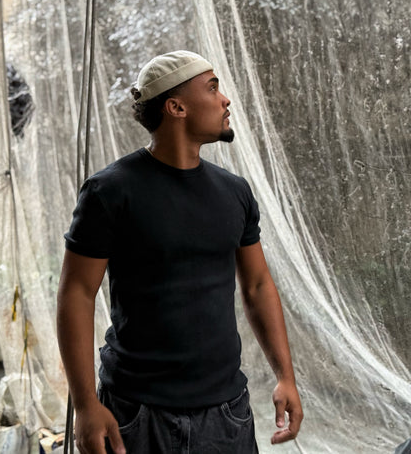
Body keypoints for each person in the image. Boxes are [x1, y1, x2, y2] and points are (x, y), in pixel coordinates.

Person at [57, 50, 303, 454]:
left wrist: (286, 377)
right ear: (176, 107)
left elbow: (258, 286)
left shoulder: (235, 192)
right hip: (136, 414)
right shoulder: (110, 191)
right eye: (212, 88)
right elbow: (76, 294)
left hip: (226, 414)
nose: (225, 99)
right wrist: (85, 406)